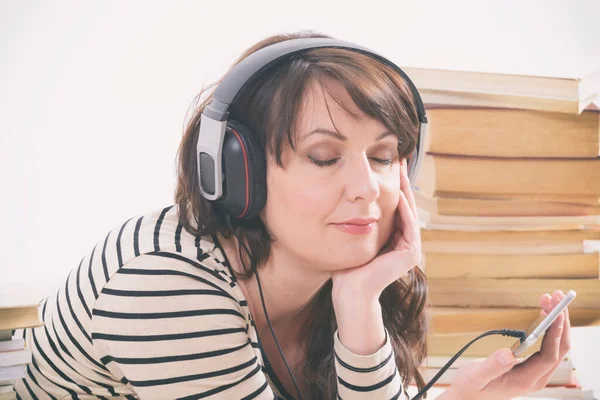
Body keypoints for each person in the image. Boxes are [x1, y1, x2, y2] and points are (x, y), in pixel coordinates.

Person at [14, 31, 571, 400]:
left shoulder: (342, 287)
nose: (367, 190)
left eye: (383, 156)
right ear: (237, 171)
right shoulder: (162, 283)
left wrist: (359, 303)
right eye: (324, 157)